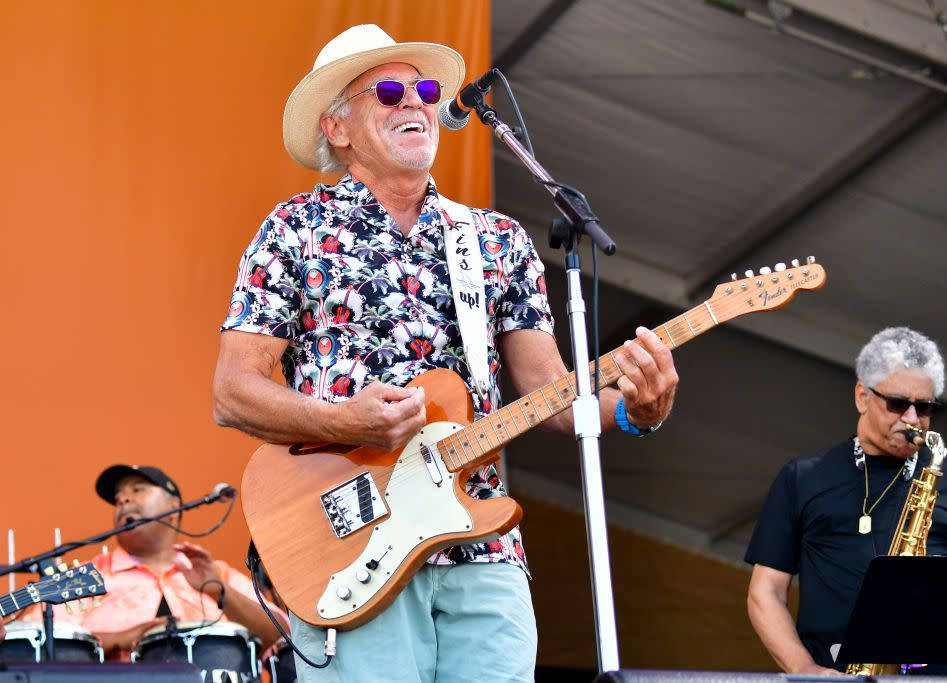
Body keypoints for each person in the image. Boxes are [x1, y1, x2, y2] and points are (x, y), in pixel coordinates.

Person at [212, 23, 678, 683]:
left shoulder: (495, 239)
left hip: (481, 544)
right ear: (338, 130)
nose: (416, 102)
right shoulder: (295, 229)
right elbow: (232, 391)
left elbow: (552, 398)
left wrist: (636, 410)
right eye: (390, 91)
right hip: (351, 544)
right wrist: (347, 422)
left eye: (426, 89)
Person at [745, 327, 947, 674]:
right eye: (898, 404)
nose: (913, 419)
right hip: (838, 675)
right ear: (862, 396)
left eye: (926, 407)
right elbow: (765, 592)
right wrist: (805, 671)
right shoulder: (803, 477)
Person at [27, 465, 287, 660]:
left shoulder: (215, 573)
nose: (124, 500)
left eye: (137, 490)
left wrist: (219, 592)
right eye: (118, 499)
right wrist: (115, 640)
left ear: (174, 507)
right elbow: (30, 641)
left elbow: (284, 640)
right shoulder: (86, 576)